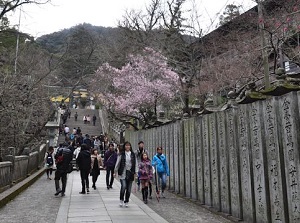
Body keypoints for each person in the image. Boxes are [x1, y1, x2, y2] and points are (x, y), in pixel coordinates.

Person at [114, 141, 138, 207]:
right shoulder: (121, 154)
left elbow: (136, 164)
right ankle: (121, 199)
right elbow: (118, 163)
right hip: (123, 172)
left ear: (130, 147)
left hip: (130, 172)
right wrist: (115, 171)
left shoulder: (133, 154)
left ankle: (126, 200)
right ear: (124, 146)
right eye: (126, 145)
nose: (127, 147)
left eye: (128, 145)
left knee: (129, 188)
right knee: (123, 186)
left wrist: (136, 172)